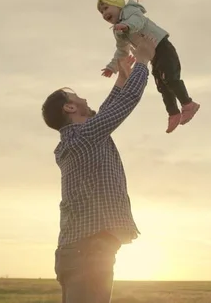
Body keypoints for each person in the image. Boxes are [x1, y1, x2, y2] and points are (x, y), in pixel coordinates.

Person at [42, 33, 157, 303]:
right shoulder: (84, 137)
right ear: (70, 107)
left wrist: (121, 80)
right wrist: (143, 60)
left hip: (83, 250)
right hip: (88, 251)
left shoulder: (81, 137)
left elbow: (106, 113)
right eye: (76, 96)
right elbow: (125, 105)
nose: (83, 98)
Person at [98, 0, 200, 134]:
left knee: (170, 78)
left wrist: (126, 26)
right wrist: (112, 67)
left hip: (162, 47)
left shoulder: (131, 12)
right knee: (161, 85)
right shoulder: (118, 31)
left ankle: (188, 104)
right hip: (152, 55)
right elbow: (122, 50)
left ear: (118, 5)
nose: (104, 13)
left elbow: (137, 22)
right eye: (101, 12)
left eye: (106, 8)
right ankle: (173, 113)